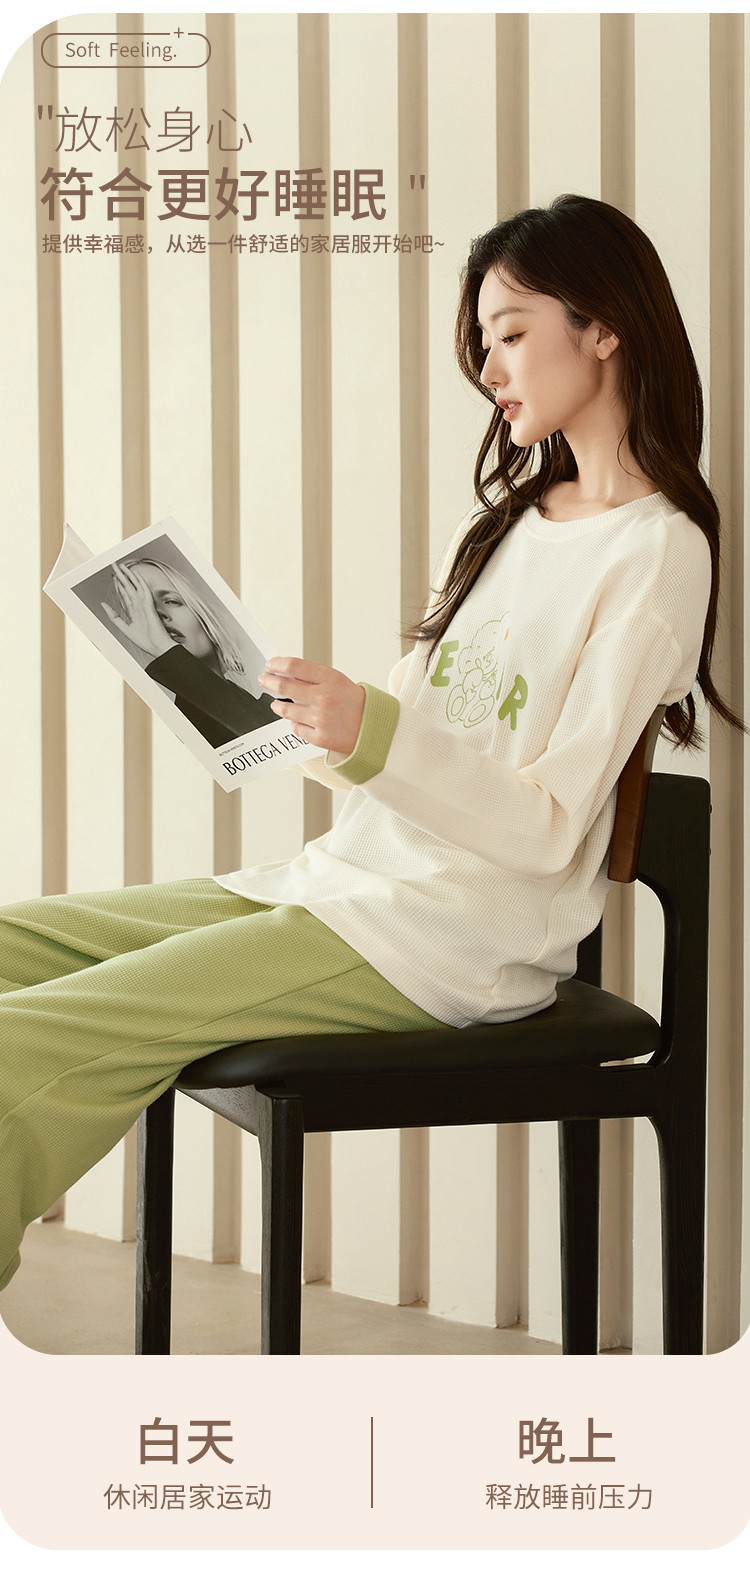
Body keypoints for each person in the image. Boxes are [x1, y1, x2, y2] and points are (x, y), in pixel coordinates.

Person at [0, 194, 743, 1294]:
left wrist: (372, 733)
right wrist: (296, 722)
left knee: (30, 1038)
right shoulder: (504, 525)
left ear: (605, 328)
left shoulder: (660, 552)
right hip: (344, 882)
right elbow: (409, 748)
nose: (488, 368)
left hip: (450, 938)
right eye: (482, 343)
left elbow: (548, 829)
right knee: (11, 945)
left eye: (510, 334)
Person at [102, 557, 278, 745]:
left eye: (171, 601)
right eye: (144, 609)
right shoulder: (186, 725)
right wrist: (163, 647)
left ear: (201, 612)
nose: (157, 615)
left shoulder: (258, 704)